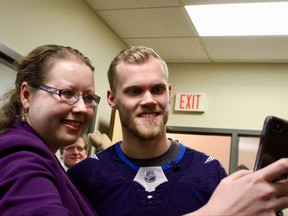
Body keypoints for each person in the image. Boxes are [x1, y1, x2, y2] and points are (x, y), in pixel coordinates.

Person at [68, 45, 288, 215]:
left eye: (157, 89)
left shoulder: (210, 173)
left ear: (169, 93)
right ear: (112, 99)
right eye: (134, 91)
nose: (149, 100)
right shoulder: (84, 177)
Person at [0, 44, 100, 215]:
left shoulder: (43, 154)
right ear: (26, 95)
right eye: (67, 94)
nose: (82, 108)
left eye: (89, 98)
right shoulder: (20, 154)